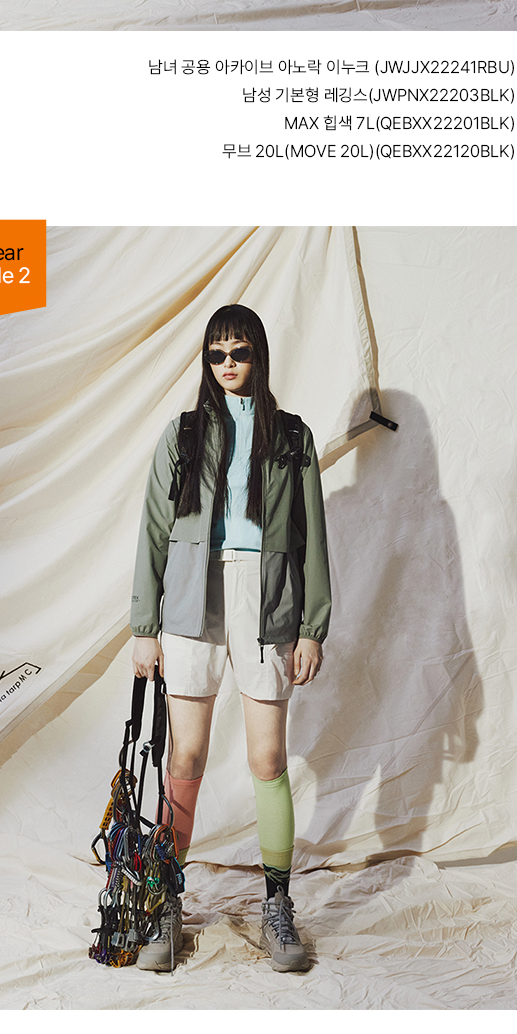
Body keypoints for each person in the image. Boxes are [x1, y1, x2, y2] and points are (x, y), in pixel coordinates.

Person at [129, 299, 331, 975]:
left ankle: (277, 906)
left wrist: (312, 627)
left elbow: (312, 538)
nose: (227, 364)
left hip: (267, 600)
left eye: (239, 352)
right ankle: (166, 905)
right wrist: (144, 627)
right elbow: (154, 532)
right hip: (192, 598)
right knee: (184, 755)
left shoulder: (293, 437)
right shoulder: (184, 434)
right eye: (216, 354)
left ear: (258, 355)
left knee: (268, 758)